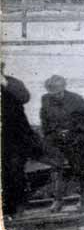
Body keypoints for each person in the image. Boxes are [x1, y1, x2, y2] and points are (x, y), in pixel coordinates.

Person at [40, 75, 84, 212]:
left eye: (58, 93)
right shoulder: (46, 99)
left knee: (80, 169)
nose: (56, 96)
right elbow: (44, 119)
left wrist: (76, 132)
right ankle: (58, 201)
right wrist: (53, 133)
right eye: (52, 93)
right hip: (57, 139)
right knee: (56, 169)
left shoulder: (76, 99)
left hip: (77, 139)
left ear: (64, 88)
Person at [1, 63, 44, 218]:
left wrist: (4, 83)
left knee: (15, 172)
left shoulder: (13, 83)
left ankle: (17, 208)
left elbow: (24, 97)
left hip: (15, 138)